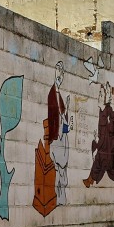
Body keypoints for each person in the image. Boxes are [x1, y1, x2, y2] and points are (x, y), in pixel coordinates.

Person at [83, 83, 114, 187]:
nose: (99, 97)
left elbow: (110, 131)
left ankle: (90, 180)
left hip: (108, 148)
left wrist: (97, 144)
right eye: (100, 94)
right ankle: (90, 180)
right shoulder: (103, 111)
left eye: (101, 95)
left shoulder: (106, 112)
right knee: (100, 158)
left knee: (100, 158)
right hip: (106, 146)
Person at [46, 61, 71, 205]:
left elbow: (62, 115)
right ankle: (59, 196)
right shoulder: (52, 93)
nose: (60, 76)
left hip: (62, 136)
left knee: (62, 168)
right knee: (59, 167)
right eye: (59, 72)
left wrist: (66, 107)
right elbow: (56, 115)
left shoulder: (57, 94)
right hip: (57, 137)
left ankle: (61, 196)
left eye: (62, 73)